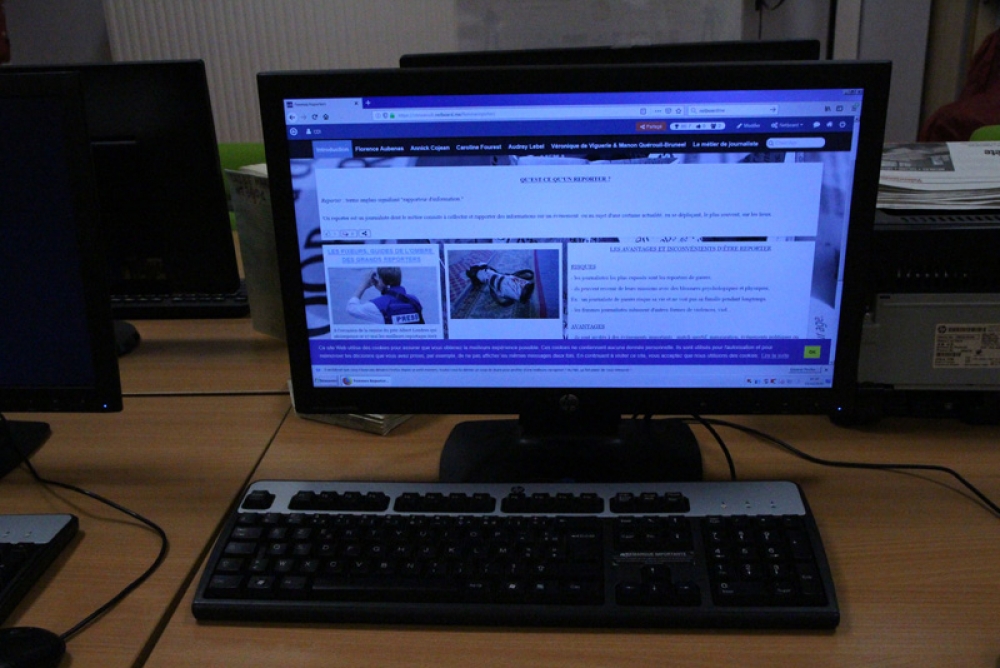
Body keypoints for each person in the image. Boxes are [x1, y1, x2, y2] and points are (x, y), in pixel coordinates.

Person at [346, 267, 424, 325]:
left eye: (378, 278)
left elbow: (351, 308)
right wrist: (383, 287)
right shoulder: (414, 300)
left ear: (381, 281)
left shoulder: (376, 306)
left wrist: (364, 284)